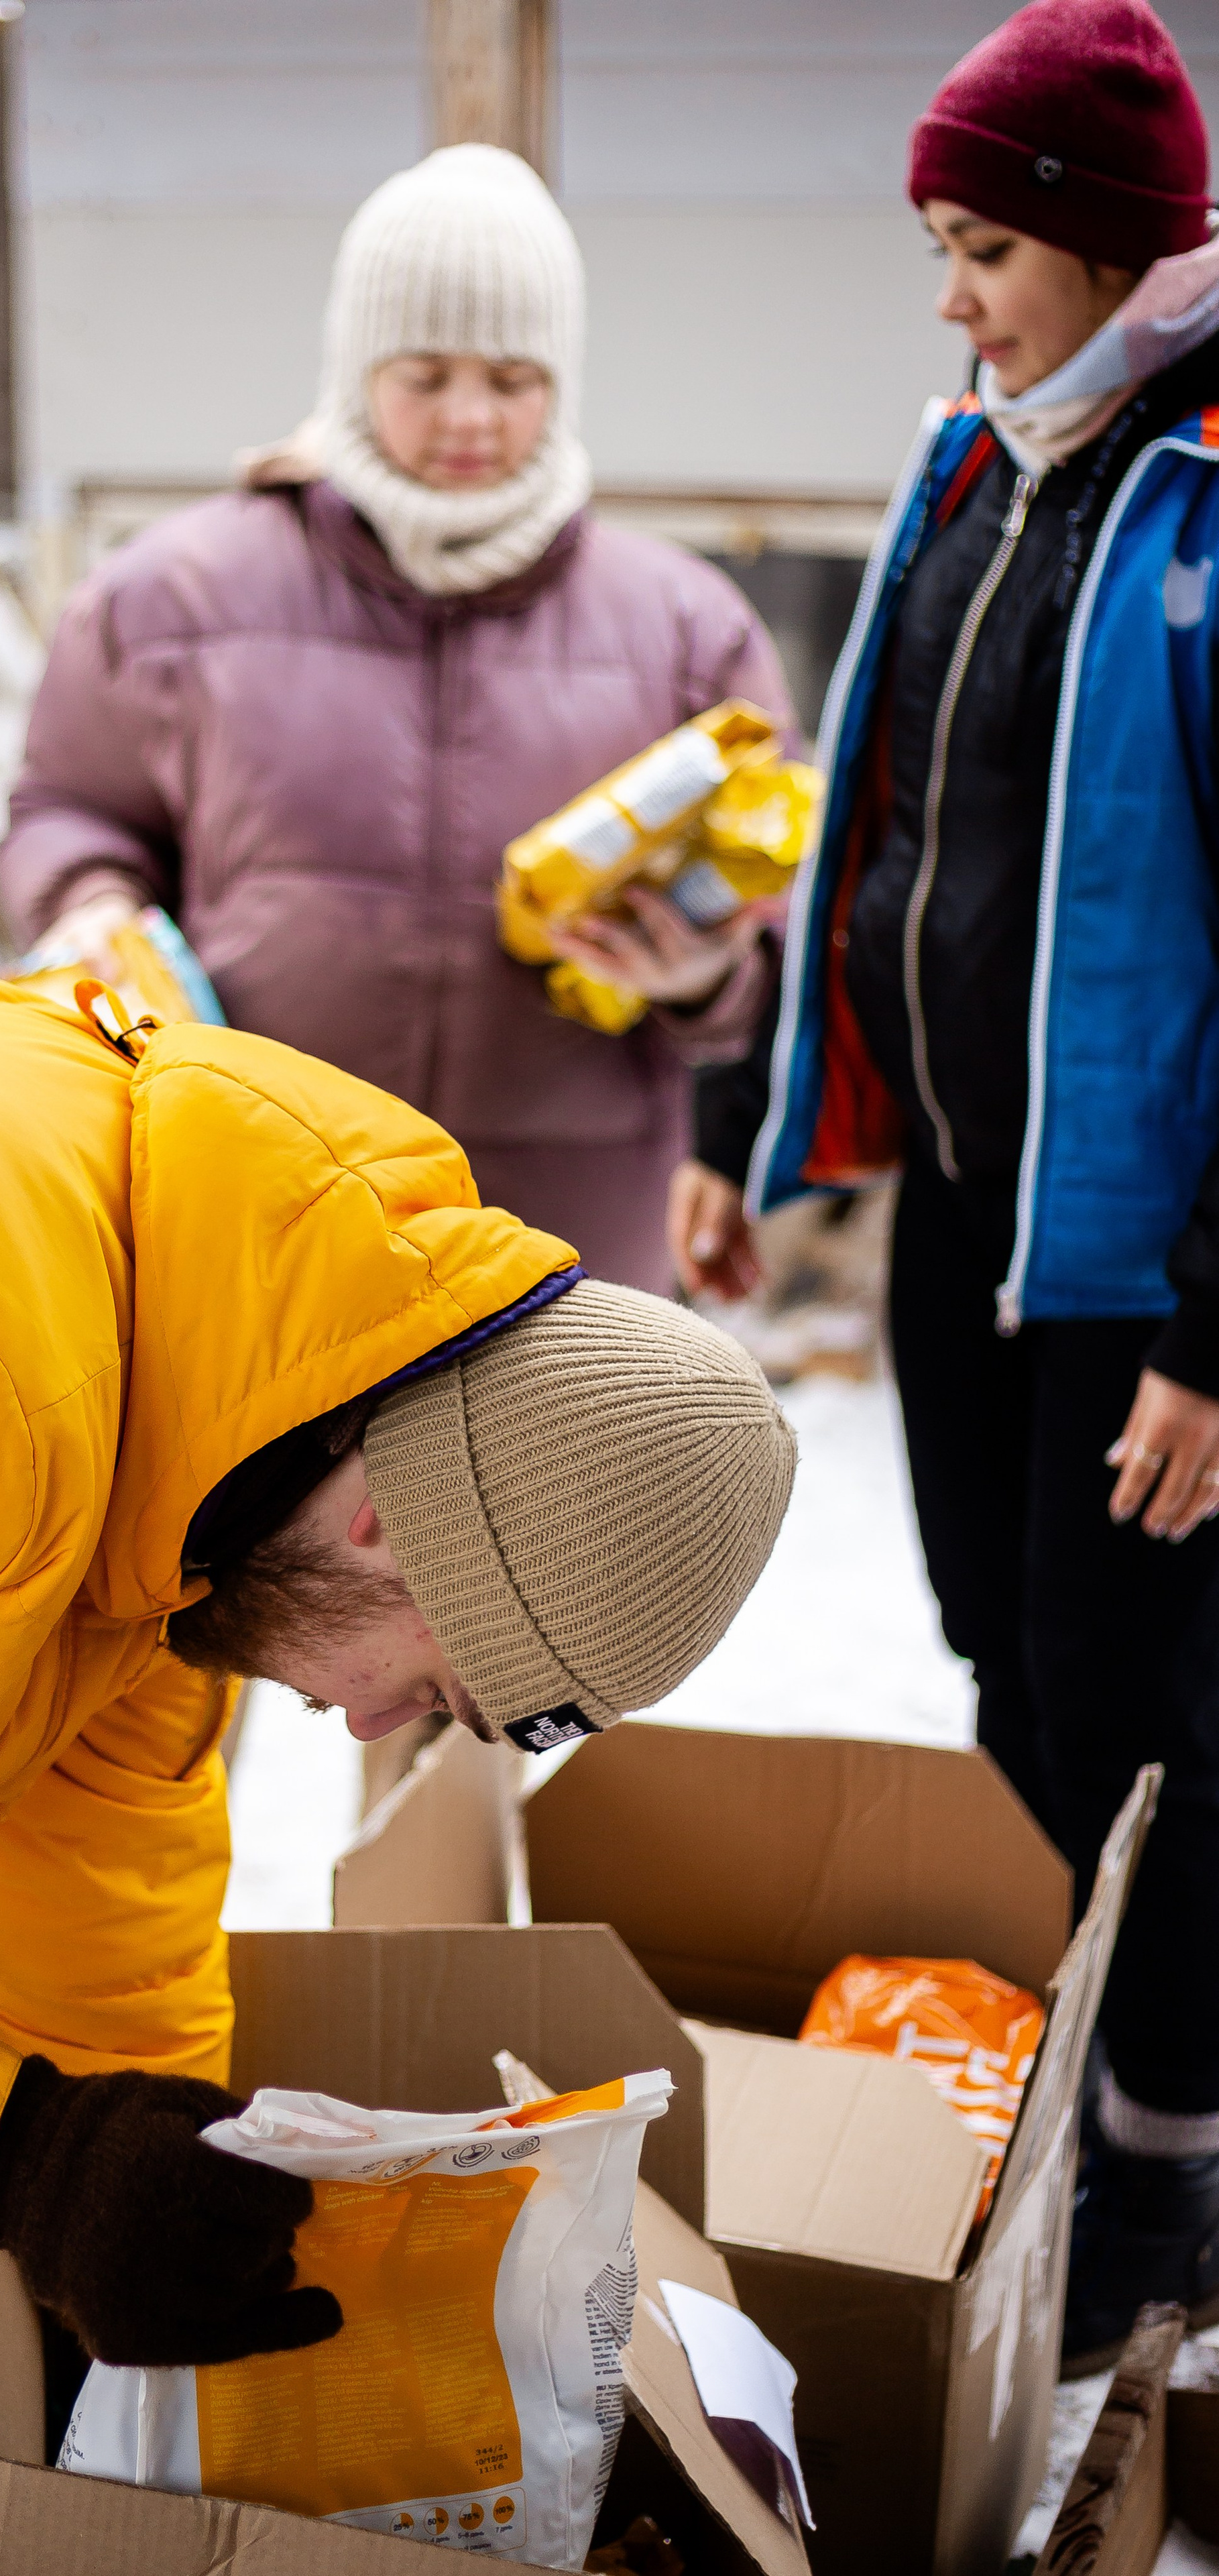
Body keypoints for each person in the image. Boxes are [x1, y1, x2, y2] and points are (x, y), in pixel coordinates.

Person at [0, 939, 793, 2576]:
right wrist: (14, 2155)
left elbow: (104, 1938)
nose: (386, 1727)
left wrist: (142, 2269)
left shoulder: (206, 1475)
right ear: (394, 1528)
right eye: (445, 1690)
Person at [663, 0, 1219, 2371]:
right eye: (940, 243)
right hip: (966, 1236)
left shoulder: (1202, 486)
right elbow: (873, 841)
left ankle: (1168, 2183)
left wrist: (1216, 1324)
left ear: (1106, 245)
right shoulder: (978, 470)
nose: (949, 293)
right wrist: (745, 1134)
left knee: (1155, 1737)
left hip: (1140, 1280)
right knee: (1011, 1695)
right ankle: (1056, 2125)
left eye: (983, 243)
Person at [0, 144, 797, 1296]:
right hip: (265, 1202)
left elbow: (788, 921)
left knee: (550, 1487)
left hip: (565, 1239)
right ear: (353, 367)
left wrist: (705, 977)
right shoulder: (172, 597)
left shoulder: (683, 629)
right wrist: (91, 904)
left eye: (513, 380)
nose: (470, 418)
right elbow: (68, 807)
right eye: (424, 374)